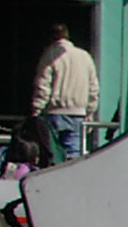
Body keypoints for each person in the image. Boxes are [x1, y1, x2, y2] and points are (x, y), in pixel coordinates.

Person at [31, 23, 99, 164]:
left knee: (52, 155)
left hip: (54, 112)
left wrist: (36, 109)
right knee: (73, 156)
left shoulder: (50, 55)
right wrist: (90, 110)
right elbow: (93, 88)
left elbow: (43, 85)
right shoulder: (85, 56)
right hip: (78, 113)